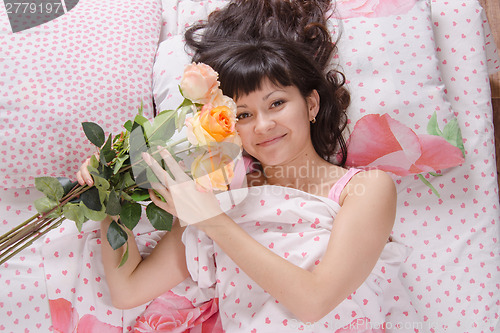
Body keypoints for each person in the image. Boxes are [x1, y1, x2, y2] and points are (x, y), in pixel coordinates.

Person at [76, 0, 413, 331]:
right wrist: (108, 196)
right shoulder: (221, 196)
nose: (264, 125)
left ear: (311, 104)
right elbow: (128, 290)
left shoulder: (365, 189)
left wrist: (211, 221)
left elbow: (315, 302)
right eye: (244, 115)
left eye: (277, 103)